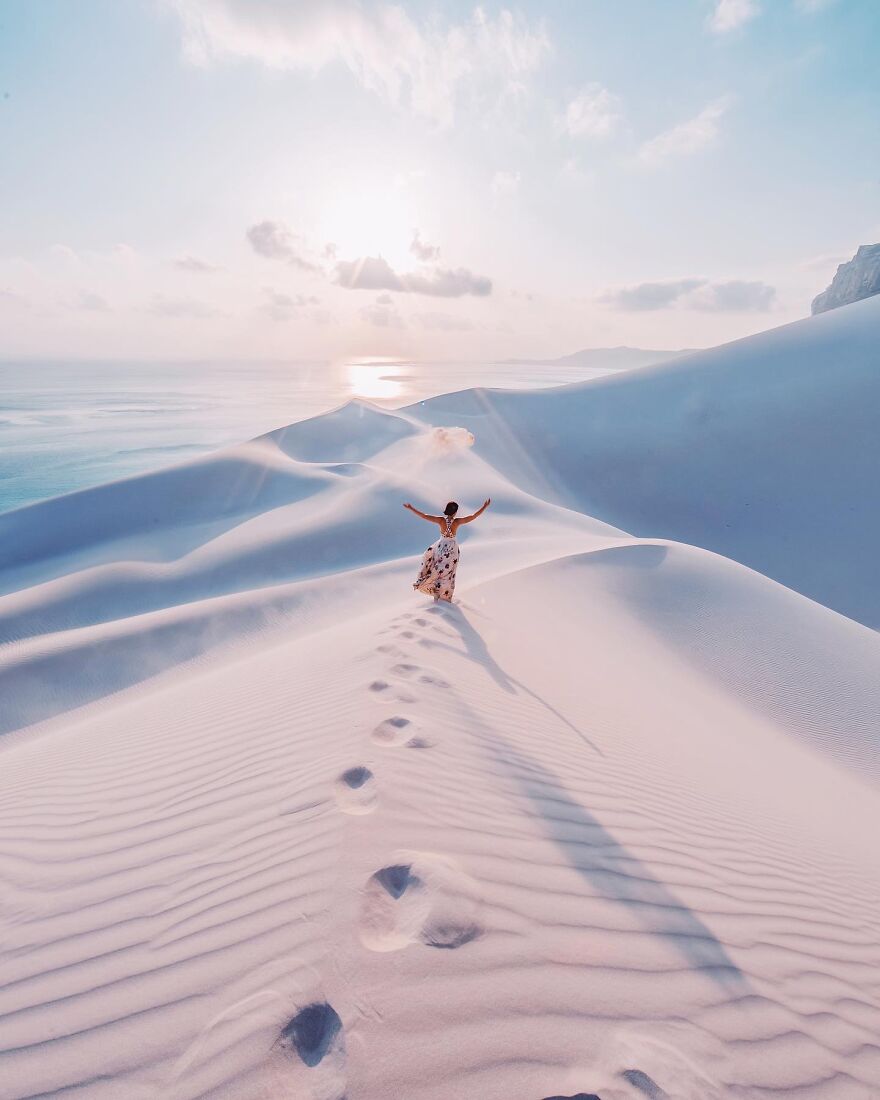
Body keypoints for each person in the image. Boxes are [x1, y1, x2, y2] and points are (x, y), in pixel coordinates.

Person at [404, 498, 491, 603]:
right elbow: (473, 516)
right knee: (448, 574)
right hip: (452, 549)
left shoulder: (441, 520)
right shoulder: (457, 521)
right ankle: (444, 596)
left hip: (441, 547)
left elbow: (424, 516)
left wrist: (411, 508)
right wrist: (484, 507)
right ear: (455, 511)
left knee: (436, 569)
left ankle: (435, 592)